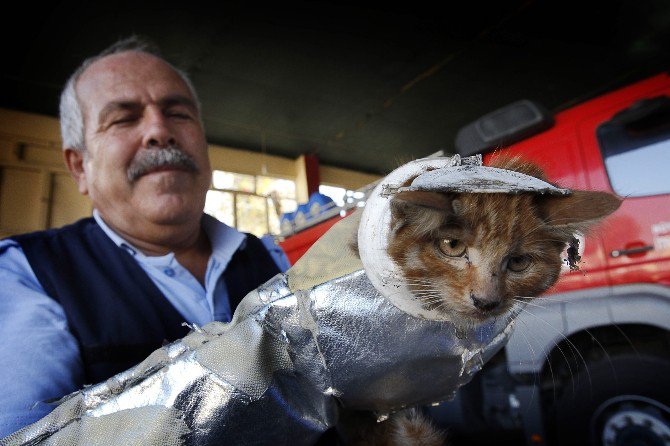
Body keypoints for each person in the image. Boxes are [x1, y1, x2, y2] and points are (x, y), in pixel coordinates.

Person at [0, 37, 290, 437]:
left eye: (179, 113)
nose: (160, 131)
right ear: (79, 166)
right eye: (123, 118)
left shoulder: (276, 259)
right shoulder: (26, 275)